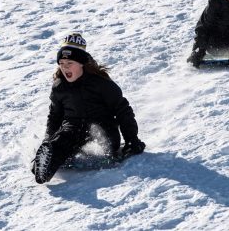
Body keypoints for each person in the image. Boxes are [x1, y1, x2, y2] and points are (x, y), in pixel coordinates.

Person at [32, 32, 145, 184]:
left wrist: (132, 139)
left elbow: (123, 110)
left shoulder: (101, 84)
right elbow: (55, 116)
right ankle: (45, 163)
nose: (65, 68)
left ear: (81, 63)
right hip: (73, 126)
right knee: (62, 141)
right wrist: (48, 139)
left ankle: (55, 156)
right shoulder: (60, 87)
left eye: (69, 63)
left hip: (102, 126)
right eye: (62, 64)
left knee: (105, 146)